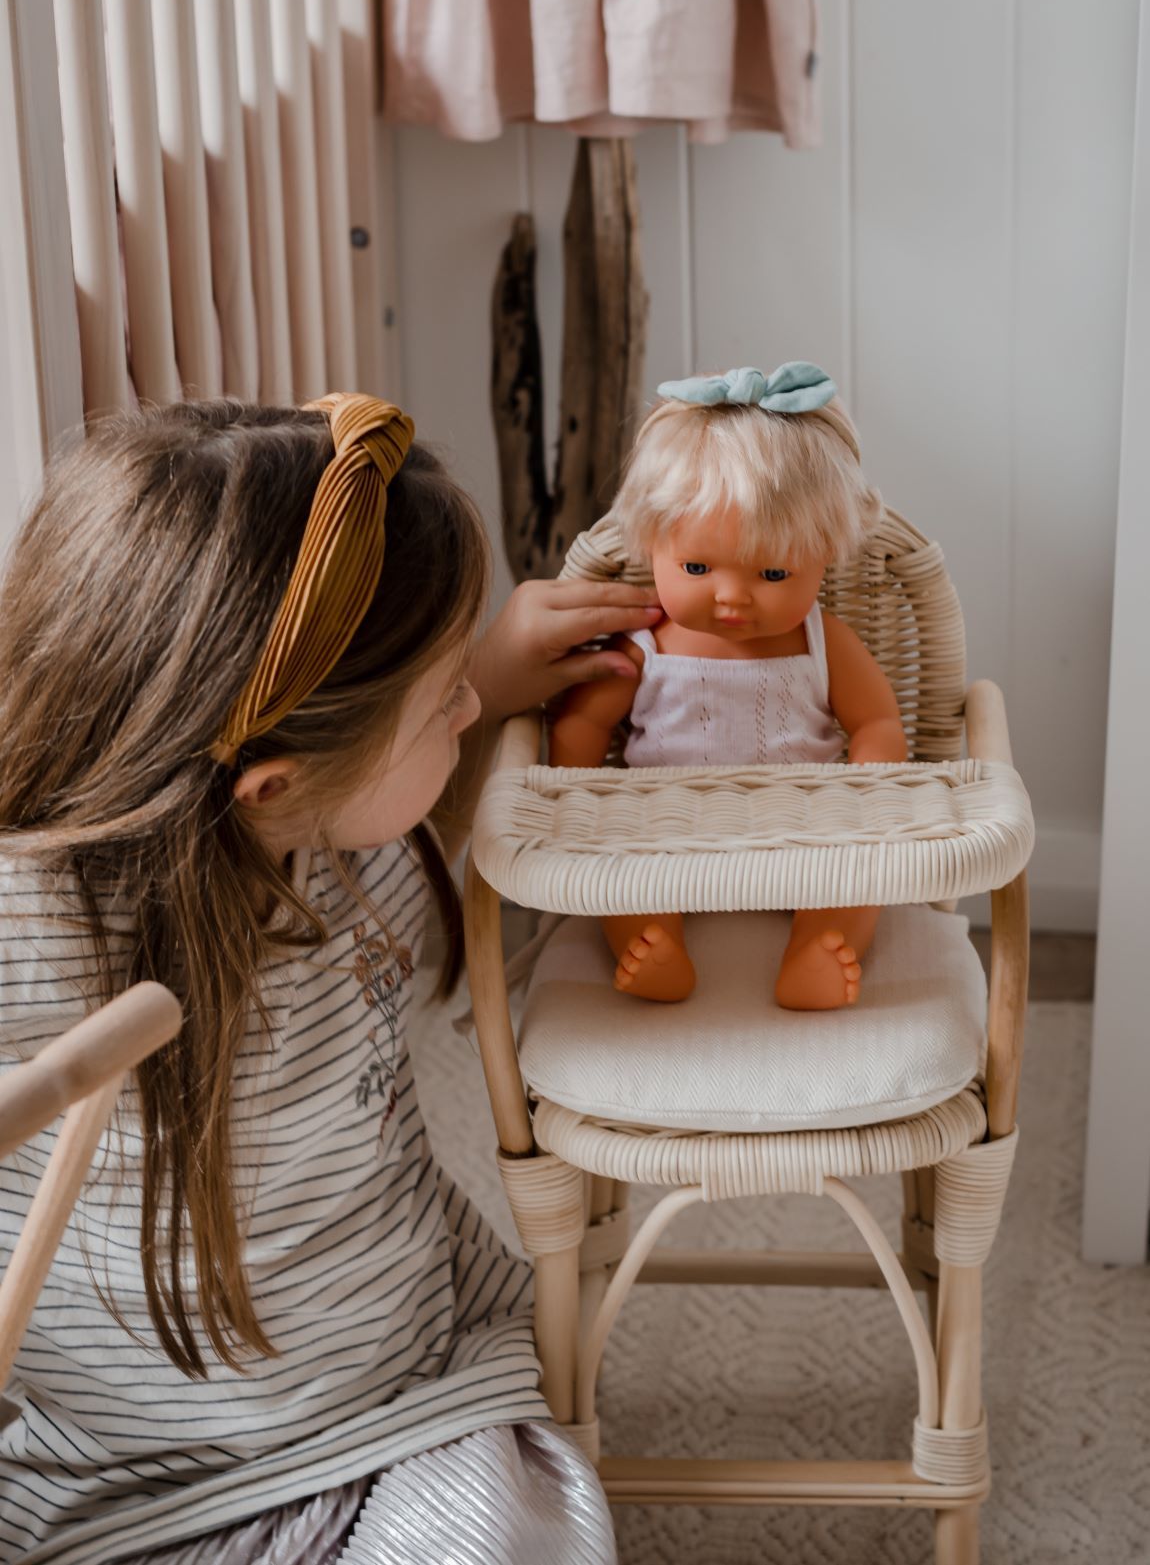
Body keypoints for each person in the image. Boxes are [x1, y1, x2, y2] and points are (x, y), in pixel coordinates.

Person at [0, 395, 663, 1565]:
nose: (469, 710)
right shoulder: (39, 921)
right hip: (111, 1481)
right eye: (443, 699)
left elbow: (400, 779)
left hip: (410, 1403)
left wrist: (495, 674)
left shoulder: (350, 847)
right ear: (274, 785)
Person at [549, 363, 908, 1011]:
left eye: (773, 571)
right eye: (695, 566)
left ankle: (817, 942)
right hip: (667, 828)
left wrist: (867, 789)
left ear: (823, 555)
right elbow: (584, 720)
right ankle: (653, 940)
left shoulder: (822, 642)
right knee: (623, 872)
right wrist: (576, 799)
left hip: (801, 827)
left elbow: (878, 722)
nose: (733, 595)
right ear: (651, 545)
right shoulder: (649, 643)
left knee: (854, 874)